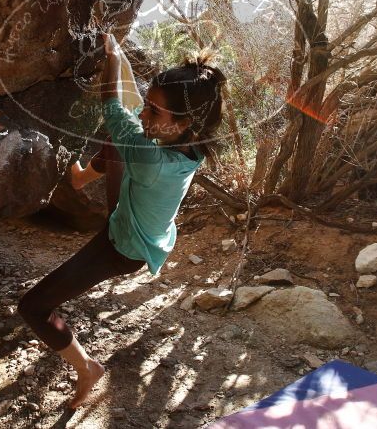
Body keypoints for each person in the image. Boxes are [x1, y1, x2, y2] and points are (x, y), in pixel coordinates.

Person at [18, 32, 226, 409]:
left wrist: (114, 58)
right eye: (148, 106)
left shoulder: (151, 159)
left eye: (155, 112)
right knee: (123, 137)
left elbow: (113, 107)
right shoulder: (190, 145)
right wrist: (143, 101)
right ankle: (80, 177)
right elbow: (133, 115)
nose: (145, 114)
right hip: (134, 216)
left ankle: (87, 369)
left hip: (123, 248)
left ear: (184, 124)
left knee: (32, 307)